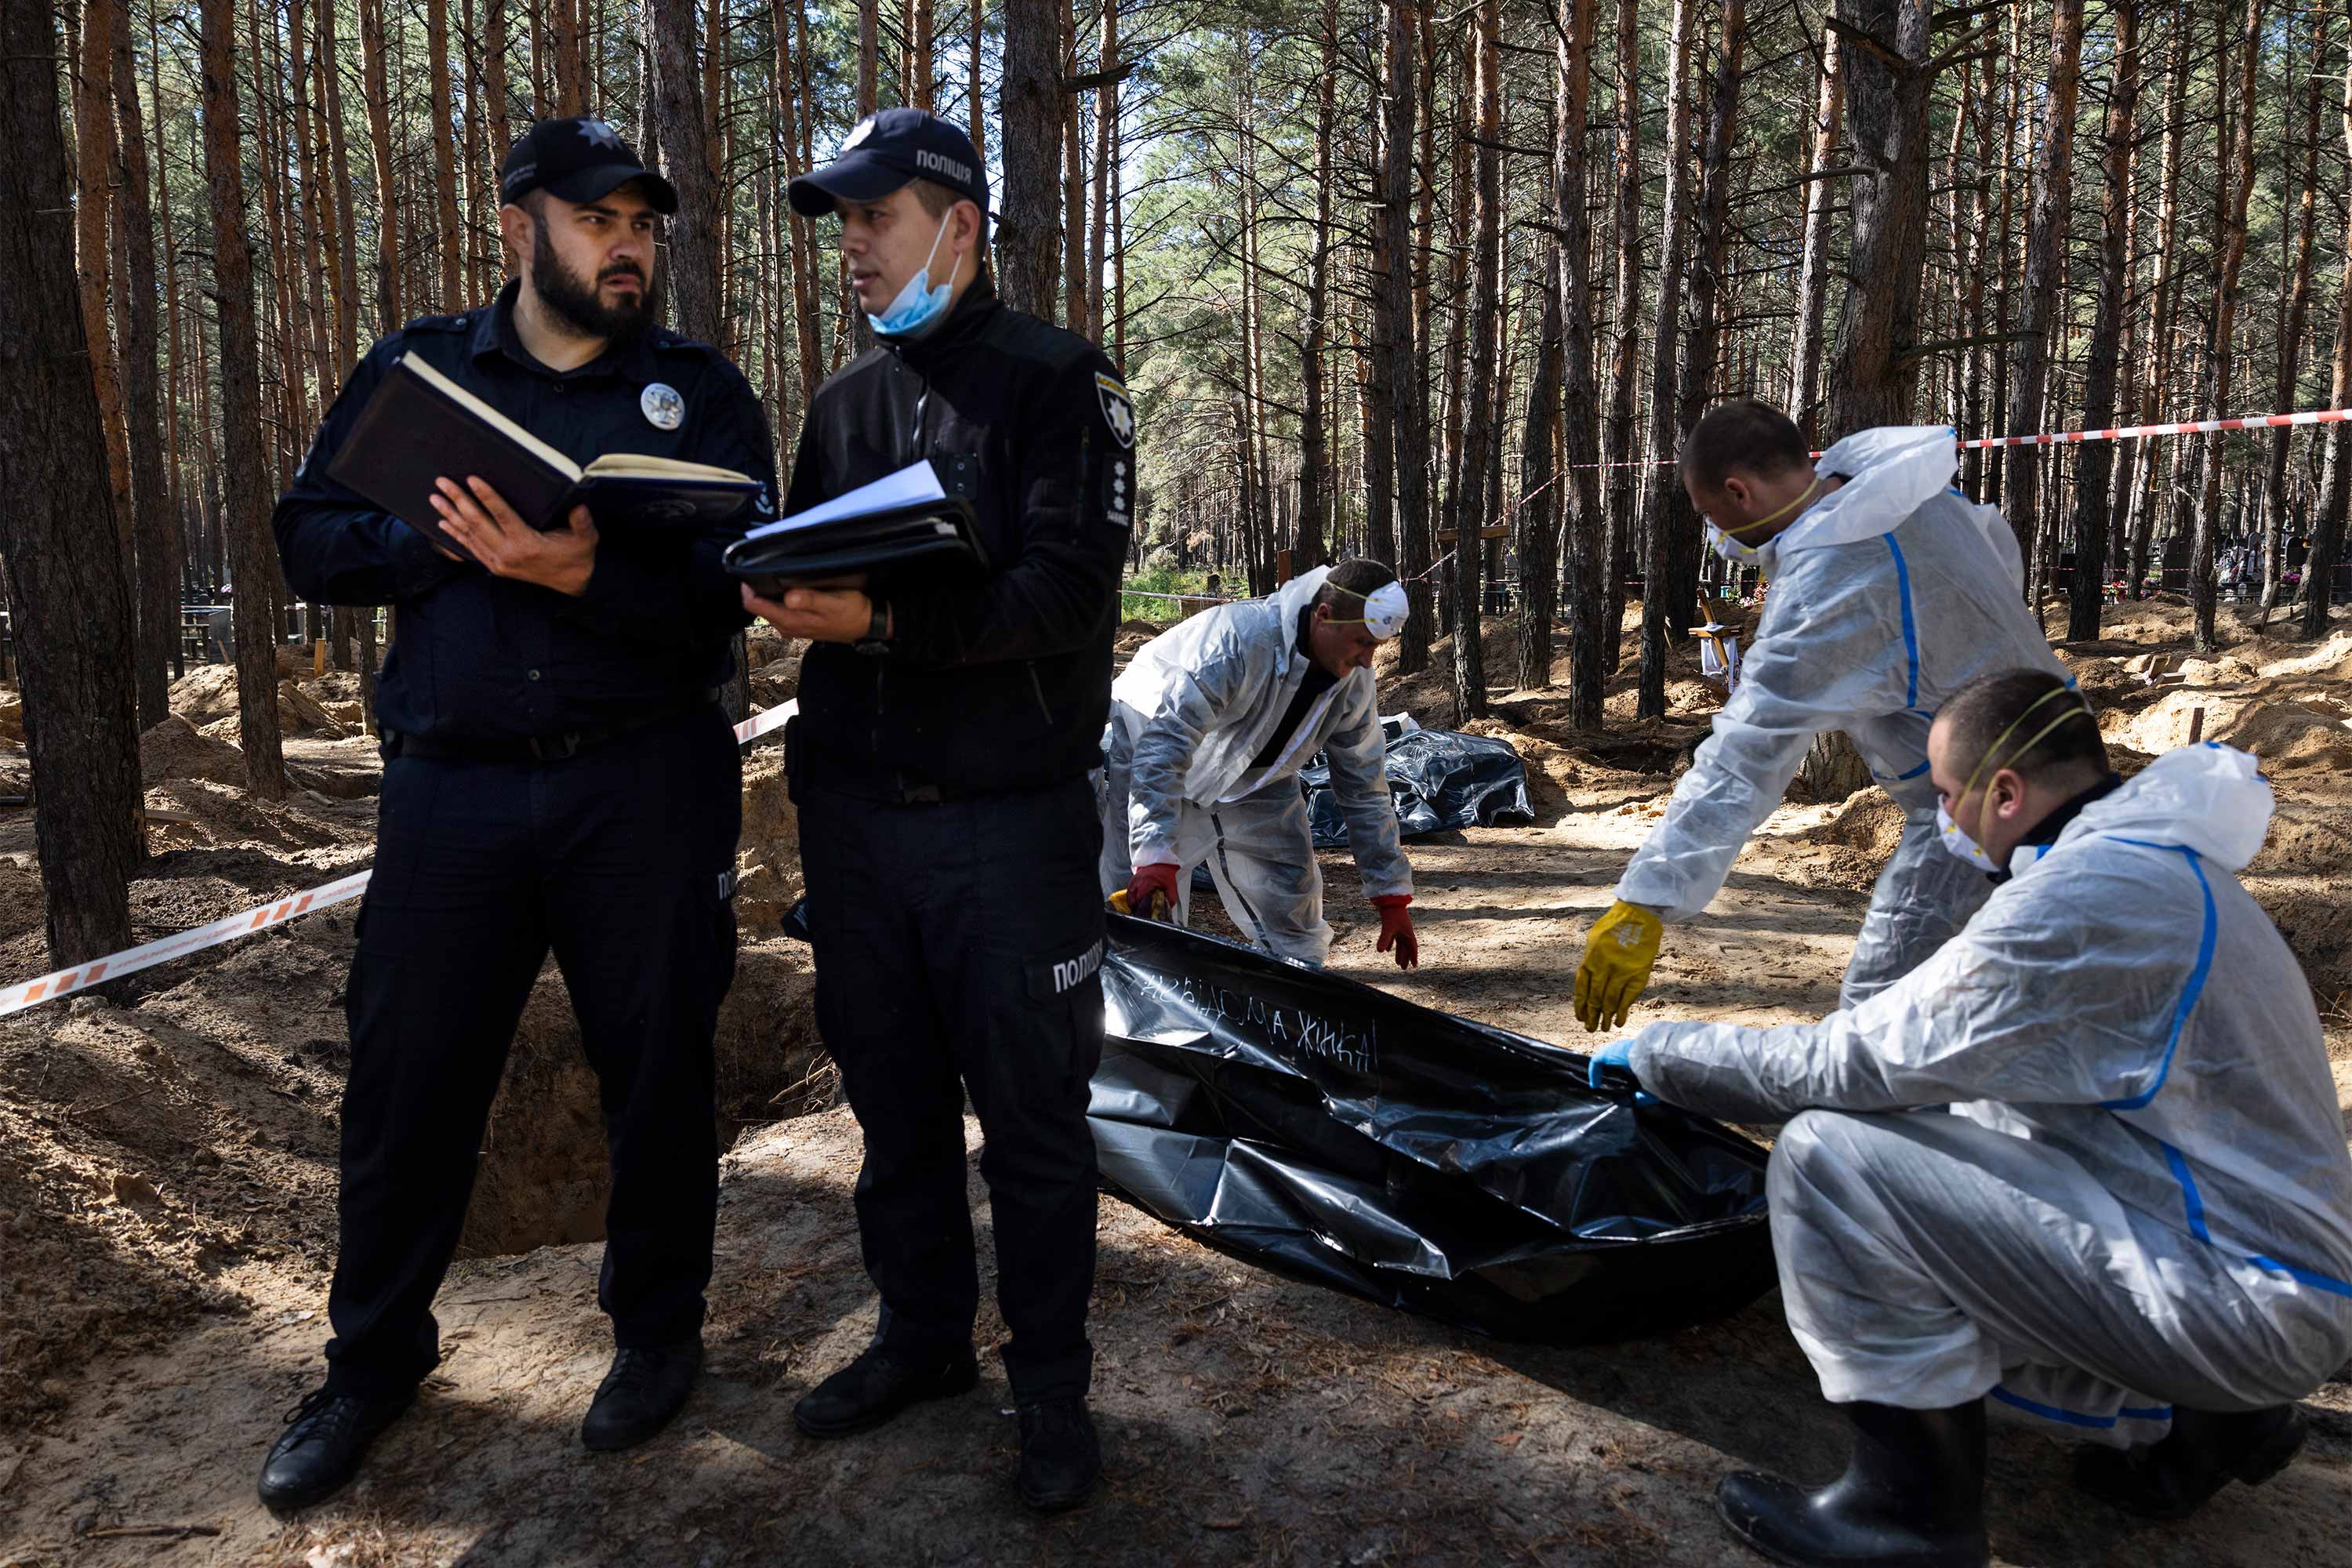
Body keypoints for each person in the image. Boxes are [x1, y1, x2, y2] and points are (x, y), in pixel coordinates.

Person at [260, 115, 773, 1508]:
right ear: (520, 226)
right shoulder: (418, 369)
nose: (626, 246)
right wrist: (443, 540)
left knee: (659, 1068)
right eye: (598, 220)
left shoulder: (696, 390)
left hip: (644, 778)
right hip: (452, 792)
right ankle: (371, 1364)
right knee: (409, 1079)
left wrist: (576, 575)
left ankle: (657, 1336)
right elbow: (307, 533)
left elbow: (737, 592)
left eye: (643, 225)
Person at [1590, 669, 2352, 1566]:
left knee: (1832, 1157)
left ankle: (1908, 1514)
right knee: (1962, 1115)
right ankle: (2222, 1423)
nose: (1943, 819)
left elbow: (1855, 1063)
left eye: (1947, 796)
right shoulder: (2164, 870)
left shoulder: (2083, 899)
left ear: (2004, 791)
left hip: (2243, 1297)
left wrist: (1662, 1054)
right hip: (2262, 1267)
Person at [746, 107, 1128, 1512]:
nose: (850, 245)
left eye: (874, 218)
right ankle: (921, 1340)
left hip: (1006, 828)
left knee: (1031, 1125)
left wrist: (885, 618)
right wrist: (786, 601)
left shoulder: (1059, 384)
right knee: (893, 1111)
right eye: (839, 223)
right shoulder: (845, 404)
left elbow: (1068, 596)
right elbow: (805, 576)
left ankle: (1054, 1397)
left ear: (957, 225)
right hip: (852, 822)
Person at [1573, 400, 2066, 1033]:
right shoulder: (1920, 503)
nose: (1715, 533)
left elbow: (1745, 760)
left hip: (1980, 816)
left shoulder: (1829, 582)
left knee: (1884, 1022)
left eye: (1708, 515)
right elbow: (2000, 561)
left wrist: (1645, 900)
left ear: (1737, 491)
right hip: (2070, 767)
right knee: (2008, 999)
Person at [1102, 558, 1418, 968]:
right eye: (1362, 643)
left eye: (1375, 646)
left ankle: (1296, 1004)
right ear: (1324, 617)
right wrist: (1154, 855)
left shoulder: (1352, 685)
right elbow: (1167, 744)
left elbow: (1364, 787)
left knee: (1291, 898)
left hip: (1258, 774)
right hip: (1153, 737)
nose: (1367, 661)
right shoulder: (1239, 640)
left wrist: (1390, 895)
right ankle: (1138, 1006)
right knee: (1143, 902)